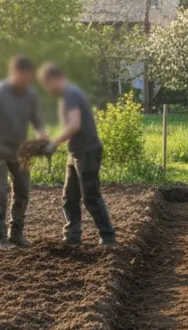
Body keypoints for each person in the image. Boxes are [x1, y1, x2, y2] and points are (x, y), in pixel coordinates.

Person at [37, 62, 117, 246]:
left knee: (90, 196)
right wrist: (51, 140)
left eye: (46, 84)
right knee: (70, 197)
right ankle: (72, 234)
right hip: (74, 153)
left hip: (87, 151)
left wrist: (54, 144)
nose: (47, 89)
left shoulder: (71, 94)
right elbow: (69, 127)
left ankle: (108, 237)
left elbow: (74, 125)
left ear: (54, 79)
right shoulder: (66, 96)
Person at [0, 56, 48, 250]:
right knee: (0, 192)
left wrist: (42, 135)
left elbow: (38, 121)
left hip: (20, 149)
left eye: (29, 78)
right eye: (24, 77)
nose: (27, 81)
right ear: (15, 73)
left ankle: (16, 233)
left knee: (23, 190)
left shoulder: (30, 95)